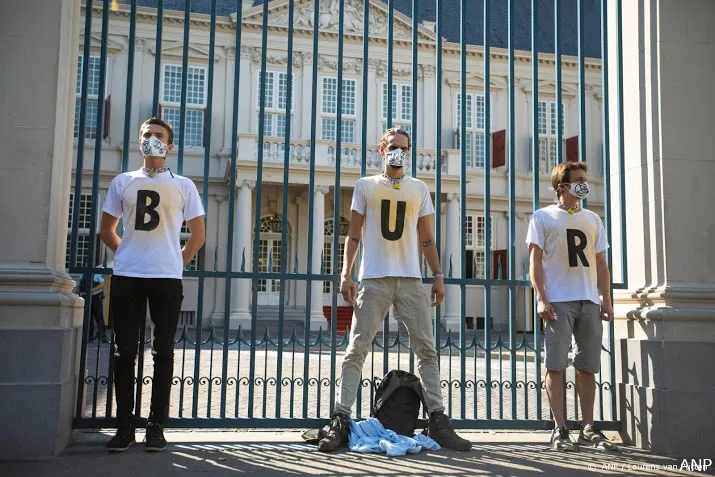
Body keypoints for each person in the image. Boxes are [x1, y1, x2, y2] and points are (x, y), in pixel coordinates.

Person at [318, 128, 472, 452]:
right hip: (374, 278)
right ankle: (340, 419)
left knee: (426, 350)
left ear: (409, 151)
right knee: (357, 349)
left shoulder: (419, 188)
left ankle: (439, 420)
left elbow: (426, 237)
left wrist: (438, 275)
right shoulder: (366, 185)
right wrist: (346, 273)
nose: (398, 152)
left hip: (411, 279)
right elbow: (354, 234)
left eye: (403, 148)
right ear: (382, 150)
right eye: (392, 147)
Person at [99, 117, 205, 452]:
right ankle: (124, 426)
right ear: (138, 140)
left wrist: (176, 261)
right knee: (124, 351)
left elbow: (198, 236)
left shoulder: (184, 185)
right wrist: (129, 254)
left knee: (163, 353)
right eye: (147, 135)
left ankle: (156, 425)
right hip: (129, 276)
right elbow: (106, 230)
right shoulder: (122, 181)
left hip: (166, 278)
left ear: (169, 146)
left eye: (159, 136)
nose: (152, 140)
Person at [526, 162, 618, 452]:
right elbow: (535, 261)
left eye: (584, 179)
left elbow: (601, 264)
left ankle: (588, 427)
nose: (584, 184)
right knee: (555, 366)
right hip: (559, 301)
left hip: (589, 300)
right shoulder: (543, 217)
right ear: (562, 186)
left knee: (587, 367)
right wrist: (542, 298)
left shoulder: (593, 219)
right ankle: (560, 429)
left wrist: (606, 299)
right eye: (578, 180)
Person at [78, 263, 109, 343]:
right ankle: (89, 337)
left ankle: (103, 336)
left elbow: (102, 284)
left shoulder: (97, 273)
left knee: (99, 317)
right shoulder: (82, 274)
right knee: (88, 318)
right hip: (85, 297)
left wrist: (93, 290)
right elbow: (79, 285)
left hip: (95, 297)